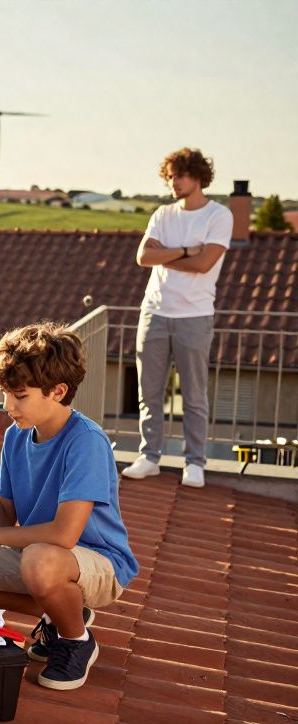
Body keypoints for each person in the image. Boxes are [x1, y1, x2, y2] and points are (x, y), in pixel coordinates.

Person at [0, 323, 138, 691]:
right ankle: (60, 613)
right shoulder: (15, 436)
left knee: (40, 559)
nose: (8, 406)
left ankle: (76, 641)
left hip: (95, 560)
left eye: (20, 395)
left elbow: (64, 534)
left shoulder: (86, 442)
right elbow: (5, 516)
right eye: (6, 393)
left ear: (57, 391)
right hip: (36, 555)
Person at [123, 147, 233, 488]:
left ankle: (195, 462)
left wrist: (164, 256)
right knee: (149, 391)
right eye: (170, 176)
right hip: (154, 312)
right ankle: (149, 457)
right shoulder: (163, 214)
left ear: (198, 177)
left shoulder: (219, 216)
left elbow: (205, 265)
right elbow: (144, 256)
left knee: (194, 394)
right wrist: (186, 250)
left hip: (194, 316)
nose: (174, 182)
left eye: (180, 176)